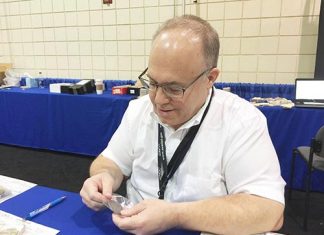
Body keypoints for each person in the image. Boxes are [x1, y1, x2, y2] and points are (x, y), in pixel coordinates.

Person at [80, 15, 285, 235]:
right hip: (133, 227)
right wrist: (104, 178)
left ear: (210, 78)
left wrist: (175, 215)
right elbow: (109, 162)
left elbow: (268, 211)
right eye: (153, 83)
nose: (158, 100)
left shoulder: (242, 121)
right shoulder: (139, 110)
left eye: (174, 88)